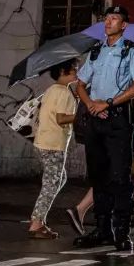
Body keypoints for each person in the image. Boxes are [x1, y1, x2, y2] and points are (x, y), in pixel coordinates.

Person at [73, 6, 134, 251]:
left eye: (114, 18)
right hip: (96, 120)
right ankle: (102, 229)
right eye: (106, 18)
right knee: (98, 177)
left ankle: (122, 232)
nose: (108, 22)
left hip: (118, 119)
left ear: (124, 25)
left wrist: (107, 103)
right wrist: (91, 105)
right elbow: (80, 84)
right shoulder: (96, 51)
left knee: (119, 177)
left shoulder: (132, 51)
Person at [28, 59, 78, 239]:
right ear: (63, 71)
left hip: (44, 141)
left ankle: (38, 219)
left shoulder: (51, 89)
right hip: (53, 145)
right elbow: (61, 119)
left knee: (58, 178)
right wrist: (80, 115)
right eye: (74, 69)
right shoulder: (63, 92)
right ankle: (36, 223)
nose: (76, 71)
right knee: (51, 184)